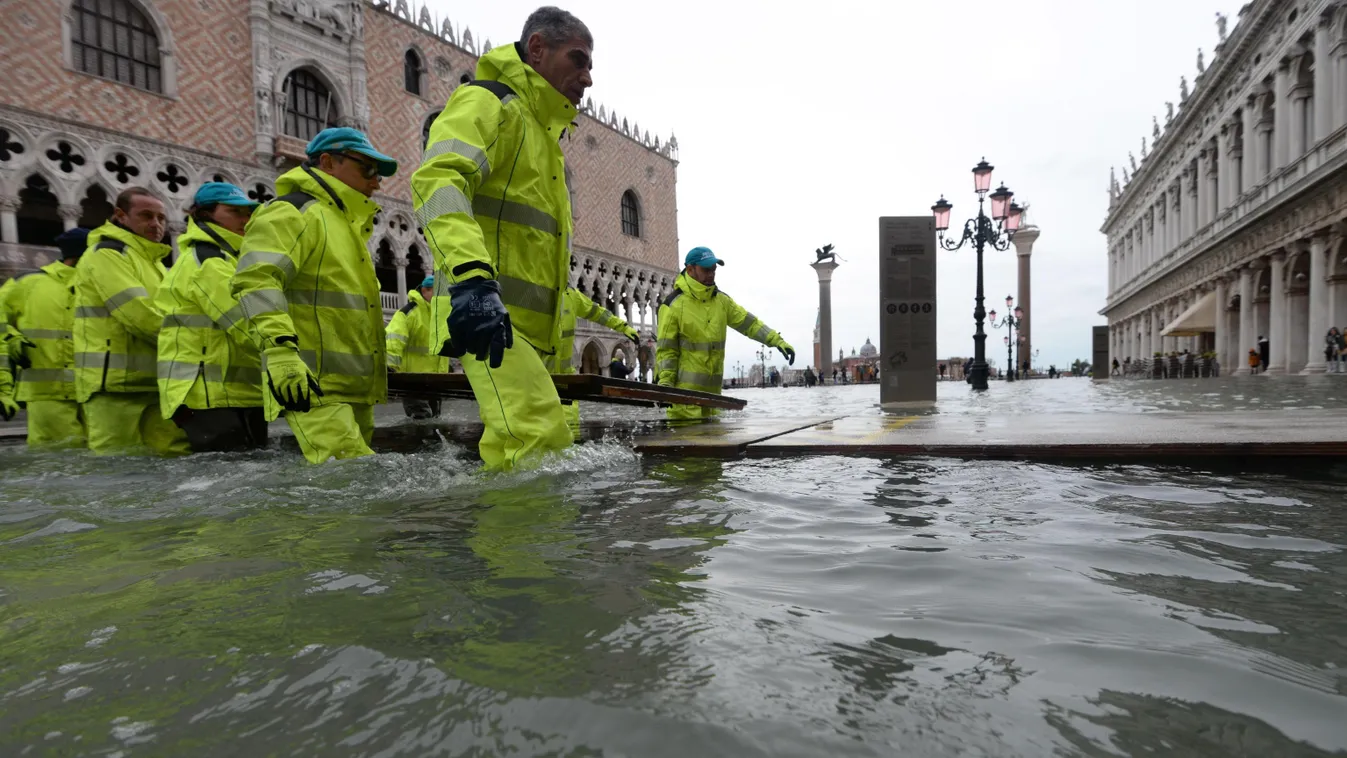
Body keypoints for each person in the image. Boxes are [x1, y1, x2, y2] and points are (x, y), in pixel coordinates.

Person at [412, 6, 593, 470]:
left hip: (530, 330)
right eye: (578, 60)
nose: (588, 78)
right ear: (537, 49)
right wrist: (472, 280)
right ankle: (519, 542)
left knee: (539, 447)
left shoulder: (545, 137)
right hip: (488, 316)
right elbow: (438, 183)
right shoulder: (489, 103)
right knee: (536, 442)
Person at [232, 127, 396, 464]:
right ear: (327, 162)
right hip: (310, 382)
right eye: (368, 169)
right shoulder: (292, 212)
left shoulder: (345, 225)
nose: (376, 182)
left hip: (355, 386)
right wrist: (279, 352)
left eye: (379, 175)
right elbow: (257, 279)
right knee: (352, 476)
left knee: (354, 483)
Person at [73, 187, 190, 456]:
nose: (156, 224)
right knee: (118, 472)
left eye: (161, 218)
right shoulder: (107, 254)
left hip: (156, 383)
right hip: (113, 388)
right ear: (120, 215)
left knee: (174, 462)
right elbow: (139, 315)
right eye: (146, 216)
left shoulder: (154, 262)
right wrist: (189, 345)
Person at [155, 182, 266, 452]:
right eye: (234, 211)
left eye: (247, 212)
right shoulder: (209, 261)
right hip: (207, 396)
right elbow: (246, 323)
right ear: (205, 215)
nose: (245, 219)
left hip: (230, 395)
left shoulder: (226, 258)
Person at [656, 246, 794, 420]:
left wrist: (777, 341)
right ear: (690, 270)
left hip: (714, 402)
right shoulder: (673, 305)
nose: (711, 274)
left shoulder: (722, 301)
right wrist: (666, 386)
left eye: (714, 270)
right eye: (706, 269)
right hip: (684, 405)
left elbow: (750, 324)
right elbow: (667, 351)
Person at [0, 228, 89, 446]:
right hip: (47, 396)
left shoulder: (99, 286)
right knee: (58, 461)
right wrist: (12, 338)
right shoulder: (27, 283)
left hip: (96, 395)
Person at [553, 285, 639, 435]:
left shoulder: (570, 295)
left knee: (570, 433)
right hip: (538, 377)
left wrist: (623, 327)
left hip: (566, 382)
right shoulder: (533, 287)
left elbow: (597, 312)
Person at [386, 276, 451, 420]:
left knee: (435, 419)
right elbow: (393, 338)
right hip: (413, 380)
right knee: (421, 417)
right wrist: (389, 366)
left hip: (436, 381)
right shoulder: (409, 313)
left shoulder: (443, 316)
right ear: (425, 291)